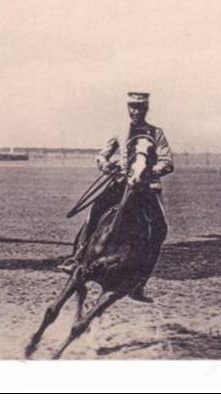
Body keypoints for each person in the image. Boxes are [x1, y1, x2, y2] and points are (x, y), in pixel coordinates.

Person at [58, 91, 174, 303]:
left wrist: (151, 171)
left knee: (160, 228)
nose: (135, 111)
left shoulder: (156, 133)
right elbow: (103, 153)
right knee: (95, 211)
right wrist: (104, 163)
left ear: (146, 109)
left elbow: (167, 162)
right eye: (132, 107)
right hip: (119, 184)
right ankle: (77, 257)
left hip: (146, 188)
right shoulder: (120, 132)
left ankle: (140, 282)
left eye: (140, 108)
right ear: (128, 108)